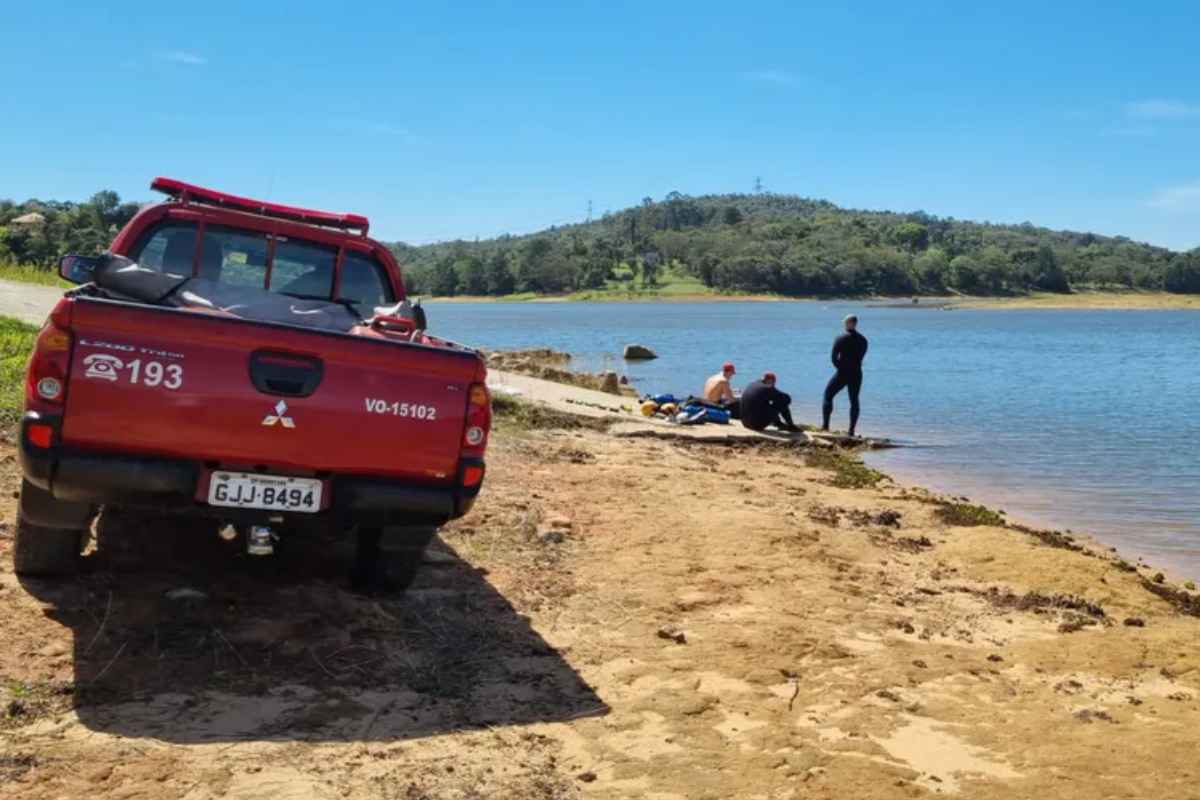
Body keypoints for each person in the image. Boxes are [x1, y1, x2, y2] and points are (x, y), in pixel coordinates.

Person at [822, 314, 868, 436]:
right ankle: (851, 431)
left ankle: (825, 427)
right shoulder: (863, 340)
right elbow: (861, 357)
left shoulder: (840, 338)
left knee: (828, 395)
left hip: (843, 372)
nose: (844, 324)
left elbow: (833, 358)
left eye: (846, 322)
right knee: (854, 400)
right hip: (857, 373)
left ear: (850, 323)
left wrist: (840, 369)